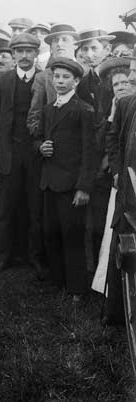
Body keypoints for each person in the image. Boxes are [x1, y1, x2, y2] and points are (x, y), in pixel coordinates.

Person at [38, 58, 97, 299]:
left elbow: (89, 151)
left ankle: (77, 287)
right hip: (50, 181)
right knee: (51, 231)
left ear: (76, 81)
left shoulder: (83, 110)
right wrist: (41, 147)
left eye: (65, 77)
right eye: (57, 77)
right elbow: (40, 139)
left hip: (71, 184)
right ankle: (57, 280)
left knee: (72, 234)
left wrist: (83, 187)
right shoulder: (48, 109)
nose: (60, 81)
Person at [0, 32, 45, 276]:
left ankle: (35, 258)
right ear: (12, 55)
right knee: (6, 209)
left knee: (35, 208)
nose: (23, 56)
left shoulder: (45, 80)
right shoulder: (2, 80)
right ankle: (4, 256)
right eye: (19, 51)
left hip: (35, 155)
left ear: (36, 54)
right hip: (8, 152)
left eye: (28, 51)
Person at [92, 57, 135, 297]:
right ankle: (108, 282)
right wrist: (117, 171)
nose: (121, 87)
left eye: (124, 83)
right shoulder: (113, 110)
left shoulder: (131, 106)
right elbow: (109, 143)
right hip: (119, 180)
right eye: (116, 85)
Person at [75, 29, 115, 271]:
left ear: (106, 50)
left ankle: (109, 268)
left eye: (94, 49)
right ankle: (90, 268)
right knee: (89, 218)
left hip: (110, 155)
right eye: (85, 49)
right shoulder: (82, 82)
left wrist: (108, 156)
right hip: (88, 154)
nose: (89, 54)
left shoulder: (115, 80)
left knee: (106, 216)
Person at [27, 23, 79, 137]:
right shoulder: (43, 77)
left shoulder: (86, 73)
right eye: (55, 41)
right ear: (51, 46)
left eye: (65, 39)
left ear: (75, 44)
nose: (59, 44)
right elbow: (34, 117)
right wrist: (43, 141)